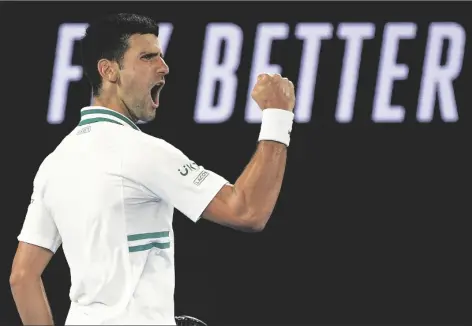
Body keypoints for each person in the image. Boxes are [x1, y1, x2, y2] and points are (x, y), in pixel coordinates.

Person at [9, 13, 296, 326]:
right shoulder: (142, 151)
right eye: (147, 57)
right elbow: (248, 211)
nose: (164, 67)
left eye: (160, 55)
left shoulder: (55, 162)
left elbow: (23, 277)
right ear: (109, 71)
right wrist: (277, 117)